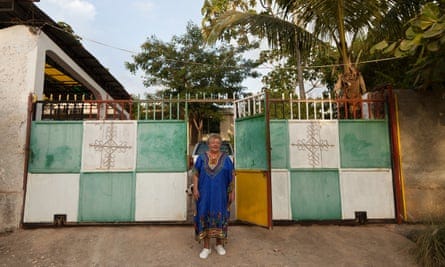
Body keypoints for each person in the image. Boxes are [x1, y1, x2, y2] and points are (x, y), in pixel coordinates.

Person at [192, 133, 235, 259]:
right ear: (208, 144)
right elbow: (195, 173)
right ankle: (206, 247)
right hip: (204, 193)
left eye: (217, 142)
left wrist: (232, 192)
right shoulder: (201, 157)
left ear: (220, 145)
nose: (215, 144)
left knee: (220, 214)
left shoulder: (226, 159)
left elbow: (232, 176)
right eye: (212, 142)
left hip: (221, 194)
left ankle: (219, 244)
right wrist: (195, 188)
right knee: (203, 215)